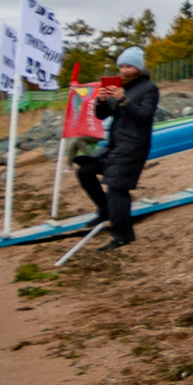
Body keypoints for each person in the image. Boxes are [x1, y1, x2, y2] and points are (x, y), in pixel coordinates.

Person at [79, 49, 158, 246]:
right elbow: (102, 115)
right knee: (85, 171)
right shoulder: (118, 87)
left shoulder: (149, 89)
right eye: (121, 66)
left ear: (138, 68)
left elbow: (145, 116)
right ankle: (105, 210)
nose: (124, 70)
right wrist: (102, 101)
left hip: (134, 146)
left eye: (129, 66)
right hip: (114, 144)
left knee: (116, 187)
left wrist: (124, 99)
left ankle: (123, 236)